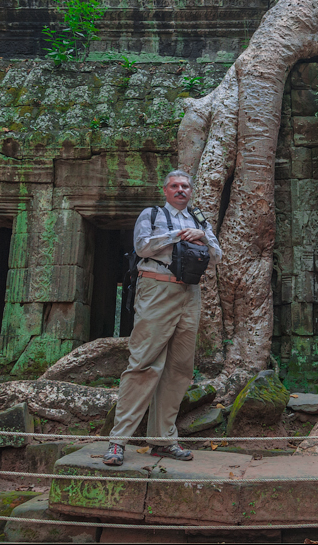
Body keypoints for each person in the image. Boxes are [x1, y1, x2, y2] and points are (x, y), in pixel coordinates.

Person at [104, 169, 221, 466]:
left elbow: (218, 255)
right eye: (174, 186)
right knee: (144, 363)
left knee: (180, 368)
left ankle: (162, 440)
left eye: (185, 186)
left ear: (190, 191)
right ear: (165, 190)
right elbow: (142, 246)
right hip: (156, 289)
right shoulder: (152, 214)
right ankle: (118, 441)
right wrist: (178, 235)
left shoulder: (200, 219)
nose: (180, 190)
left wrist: (203, 236)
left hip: (189, 294)